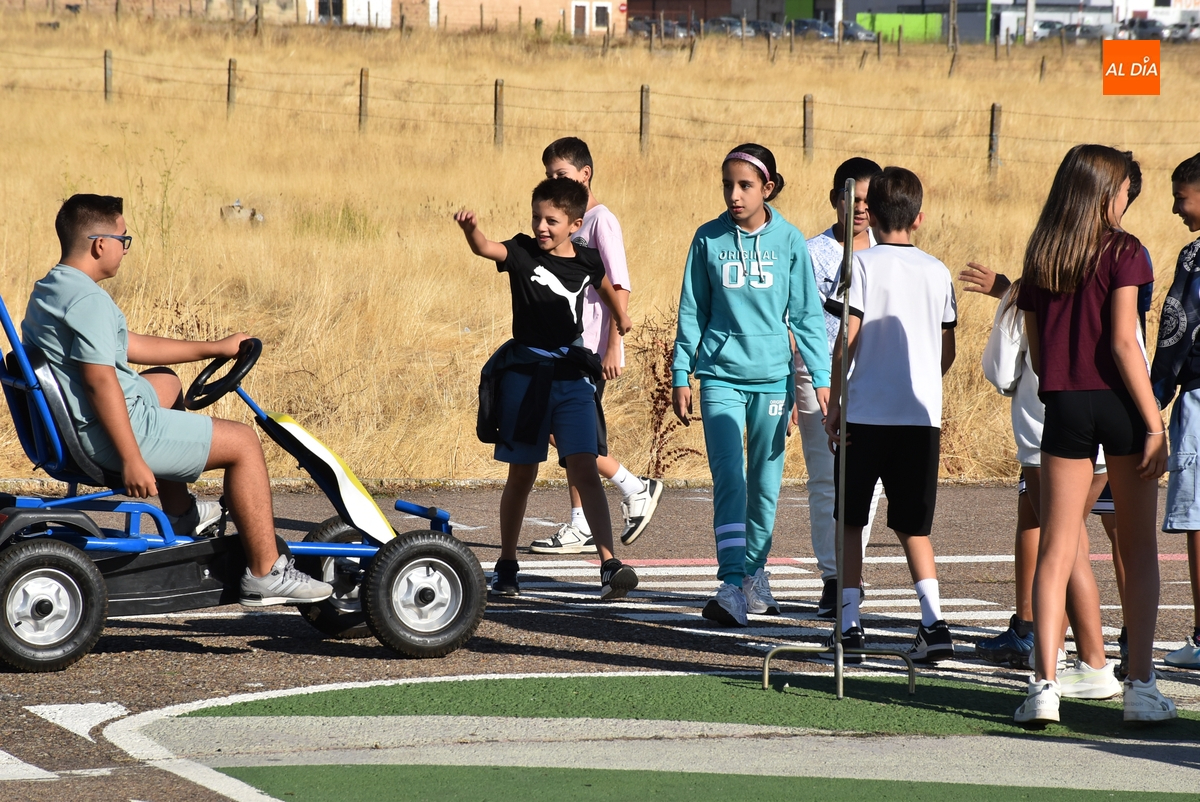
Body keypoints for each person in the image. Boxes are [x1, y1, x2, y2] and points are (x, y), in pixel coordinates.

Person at [22, 194, 333, 606]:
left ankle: (182, 512)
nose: (124, 248)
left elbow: (128, 345)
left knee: (166, 383)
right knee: (243, 443)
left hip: (85, 422)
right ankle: (266, 573)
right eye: (123, 238)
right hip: (113, 430)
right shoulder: (89, 301)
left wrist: (211, 347)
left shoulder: (54, 288)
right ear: (100, 244)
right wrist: (133, 458)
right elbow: (100, 383)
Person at [1014, 144, 1175, 726]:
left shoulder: (1043, 254)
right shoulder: (1126, 250)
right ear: (1109, 191)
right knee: (1136, 548)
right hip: (1120, 405)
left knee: (1056, 547)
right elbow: (1123, 343)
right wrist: (1154, 421)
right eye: (1126, 188)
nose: (1130, 197)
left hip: (1063, 404)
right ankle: (1139, 685)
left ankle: (1043, 686)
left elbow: (1035, 351)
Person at [455, 177, 638, 600]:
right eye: (537, 217)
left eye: (551, 220)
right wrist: (471, 232)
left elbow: (605, 285)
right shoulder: (521, 252)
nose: (541, 226)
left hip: (572, 376)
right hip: (526, 375)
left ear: (575, 224)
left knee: (584, 466)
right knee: (522, 474)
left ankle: (609, 565)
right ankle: (507, 563)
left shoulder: (587, 259)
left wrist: (620, 316)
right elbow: (487, 248)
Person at [672, 143, 830, 627]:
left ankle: (755, 574)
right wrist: (683, 371)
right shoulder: (707, 239)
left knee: (765, 484)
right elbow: (693, 309)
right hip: (719, 376)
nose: (734, 196)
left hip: (773, 381)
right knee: (730, 479)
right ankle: (731, 582)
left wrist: (821, 382)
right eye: (727, 185)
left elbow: (805, 316)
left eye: (744, 186)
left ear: (768, 188)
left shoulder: (789, 242)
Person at [822, 166, 957, 664]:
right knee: (914, 525)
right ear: (917, 218)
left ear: (870, 214)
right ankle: (932, 620)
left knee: (851, 520)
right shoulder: (938, 271)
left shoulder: (861, 264)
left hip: (868, 414)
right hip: (921, 417)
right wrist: (921, 374)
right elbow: (947, 351)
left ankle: (850, 623)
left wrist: (836, 402)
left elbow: (846, 339)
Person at [965, 261, 1118, 694]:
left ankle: (1085, 659)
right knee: (1068, 541)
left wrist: (1009, 300)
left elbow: (1000, 372)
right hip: (1104, 433)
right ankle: (1068, 653)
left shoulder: (1024, 292)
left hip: (1045, 435)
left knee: (1065, 548)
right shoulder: (1111, 276)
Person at [531, 137, 663, 554]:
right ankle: (583, 520)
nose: (554, 181)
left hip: (590, 349)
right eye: (549, 176)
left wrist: (612, 345)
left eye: (562, 175)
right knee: (563, 434)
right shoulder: (561, 222)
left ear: (585, 175)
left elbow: (618, 286)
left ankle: (633, 486)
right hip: (562, 347)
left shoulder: (600, 220)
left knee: (573, 437)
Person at [795, 157, 885, 618]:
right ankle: (834, 577)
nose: (863, 209)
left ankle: (855, 571)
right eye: (854, 199)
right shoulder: (812, 253)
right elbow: (795, 321)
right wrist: (810, 381)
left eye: (872, 200)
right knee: (826, 479)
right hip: (818, 378)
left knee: (866, 482)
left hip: (871, 378)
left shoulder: (888, 254)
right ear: (836, 200)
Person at [1150, 151, 1200, 670]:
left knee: (1199, 520)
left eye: (1181, 198)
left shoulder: (1195, 258)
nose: (1175, 209)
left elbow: (1176, 328)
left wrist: (1152, 400)